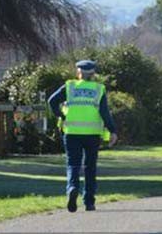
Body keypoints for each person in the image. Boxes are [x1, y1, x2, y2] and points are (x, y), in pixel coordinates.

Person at [48, 60, 118, 213]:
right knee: (90, 167)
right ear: (93, 75)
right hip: (92, 134)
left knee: (73, 164)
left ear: (78, 73)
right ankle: (89, 202)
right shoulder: (99, 89)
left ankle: (72, 187)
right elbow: (105, 113)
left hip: (72, 132)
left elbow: (52, 101)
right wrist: (113, 131)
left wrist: (61, 115)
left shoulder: (70, 87)